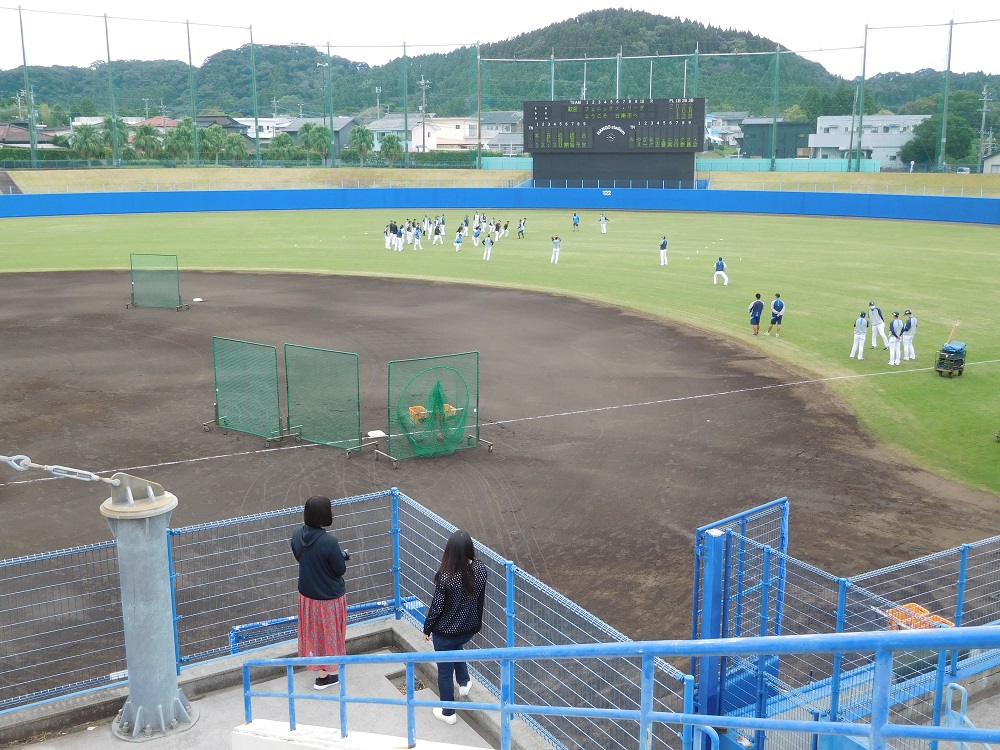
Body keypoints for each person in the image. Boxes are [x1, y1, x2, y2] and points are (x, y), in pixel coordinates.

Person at [423, 530, 488, 726]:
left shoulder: (447, 576)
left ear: (450, 551)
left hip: (445, 632)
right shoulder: (481, 569)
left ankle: (448, 712)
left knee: (444, 671)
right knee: (456, 647)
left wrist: (427, 628)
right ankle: (464, 681)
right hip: (468, 628)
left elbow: (437, 607)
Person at [290, 496, 350, 691]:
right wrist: (342, 556)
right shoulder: (329, 541)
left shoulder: (297, 534)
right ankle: (327, 675)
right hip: (329, 598)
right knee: (330, 635)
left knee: (315, 635)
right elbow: (339, 569)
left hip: (308, 598)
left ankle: (322, 674)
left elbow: (301, 556)